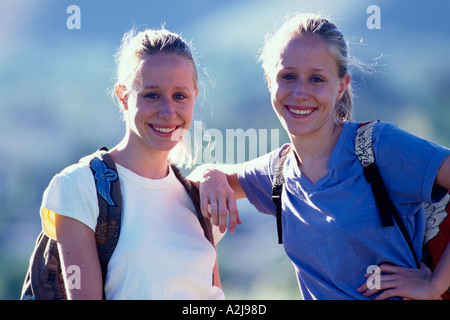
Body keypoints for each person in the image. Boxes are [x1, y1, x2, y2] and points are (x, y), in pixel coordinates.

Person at [189, 13, 450, 300]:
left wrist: (435, 284)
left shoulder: (379, 146)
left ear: (340, 86)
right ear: (269, 82)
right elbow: (211, 178)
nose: (300, 92)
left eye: (316, 79)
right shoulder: (278, 173)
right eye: (288, 76)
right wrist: (208, 174)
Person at [39, 28, 225, 299]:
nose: (168, 111)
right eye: (152, 95)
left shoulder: (197, 198)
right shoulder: (79, 187)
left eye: (180, 96)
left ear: (194, 96)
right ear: (123, 96)